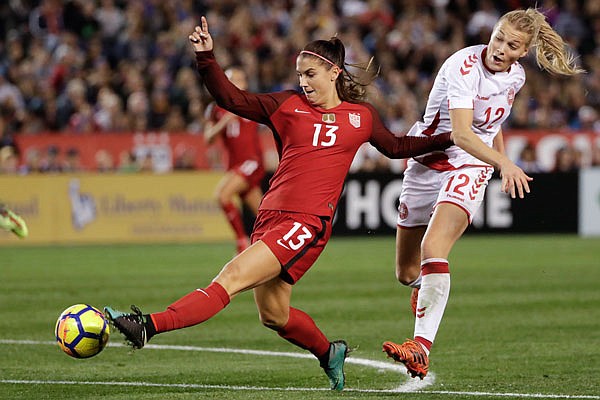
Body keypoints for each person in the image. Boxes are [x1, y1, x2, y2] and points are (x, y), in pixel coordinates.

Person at [104, 16, 453, 391]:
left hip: (307, 221)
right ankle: (329, 351)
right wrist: (207, 58)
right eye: (300, 74)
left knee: (231, 278)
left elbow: (397, 147)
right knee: (273, 314)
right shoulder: (286, 105)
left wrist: (452, 138)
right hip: (270, 216)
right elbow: (231, 98)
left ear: (334, 72)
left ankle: (147, 326)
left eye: (310, 74)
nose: (303, 82)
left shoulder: (362, 117)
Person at [382, 8, 584, 380]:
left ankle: (420, 348)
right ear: (491, 32)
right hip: (426, 159)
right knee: (406, 271)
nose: (500, 48)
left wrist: (498, 162)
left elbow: (490, 126)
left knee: (434, 248)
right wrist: (506, 164)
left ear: (523, 52)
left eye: (512, 45)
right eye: (498, 37)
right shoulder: (463, 66)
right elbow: (460, 132)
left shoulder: (516, 76)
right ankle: (427, 289)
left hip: (470, 162)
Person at [204, 66, 266, 254]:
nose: (236, 83)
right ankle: (278, 242)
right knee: (263, 213)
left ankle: (241, 242)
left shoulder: (251, 103)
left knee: (222, 196)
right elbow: (208, 139)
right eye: (232, 79)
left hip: (251, 161)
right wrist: (224, 122)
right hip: (234, 164)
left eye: (240, 79)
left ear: (245, 83)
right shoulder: (216, 109)